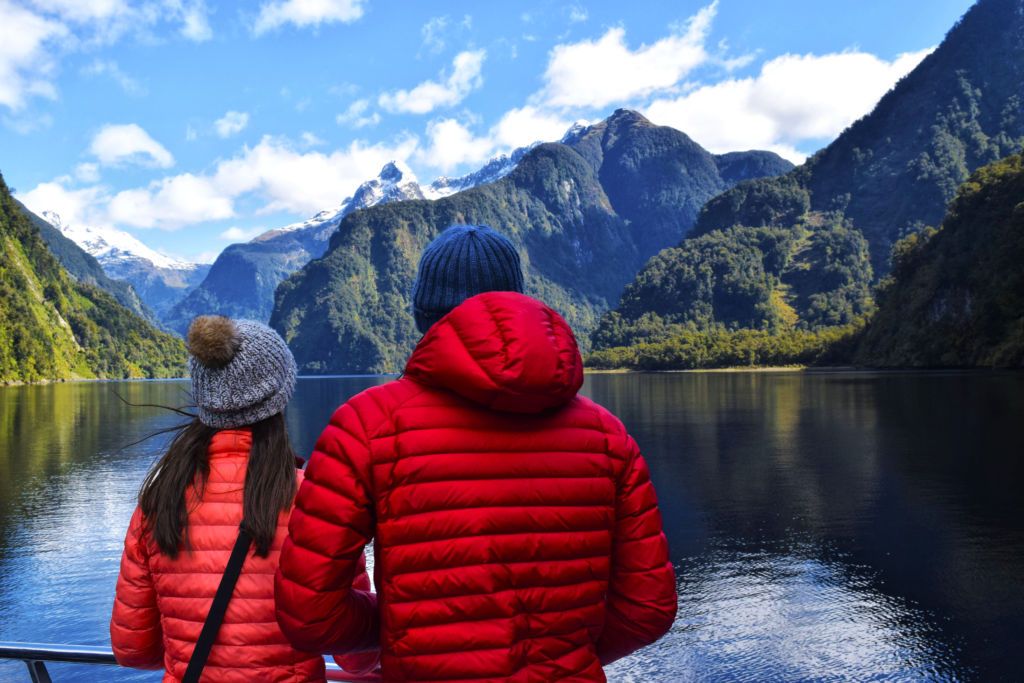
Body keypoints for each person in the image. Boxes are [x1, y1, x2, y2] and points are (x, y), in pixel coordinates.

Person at [276, 224, 677, 681]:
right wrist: (566, 656)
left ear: (422, 315)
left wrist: (403, 629)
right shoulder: (607, 436)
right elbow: (648, 607)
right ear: (518, 301)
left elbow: (308, 613)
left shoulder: (365, 425)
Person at [110, 315, 377, 682]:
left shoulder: (159, 500)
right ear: (279, 398)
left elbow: (133, 649)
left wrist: (186, 650)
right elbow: (357, 658)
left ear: (205, 398)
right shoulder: (313, 501)